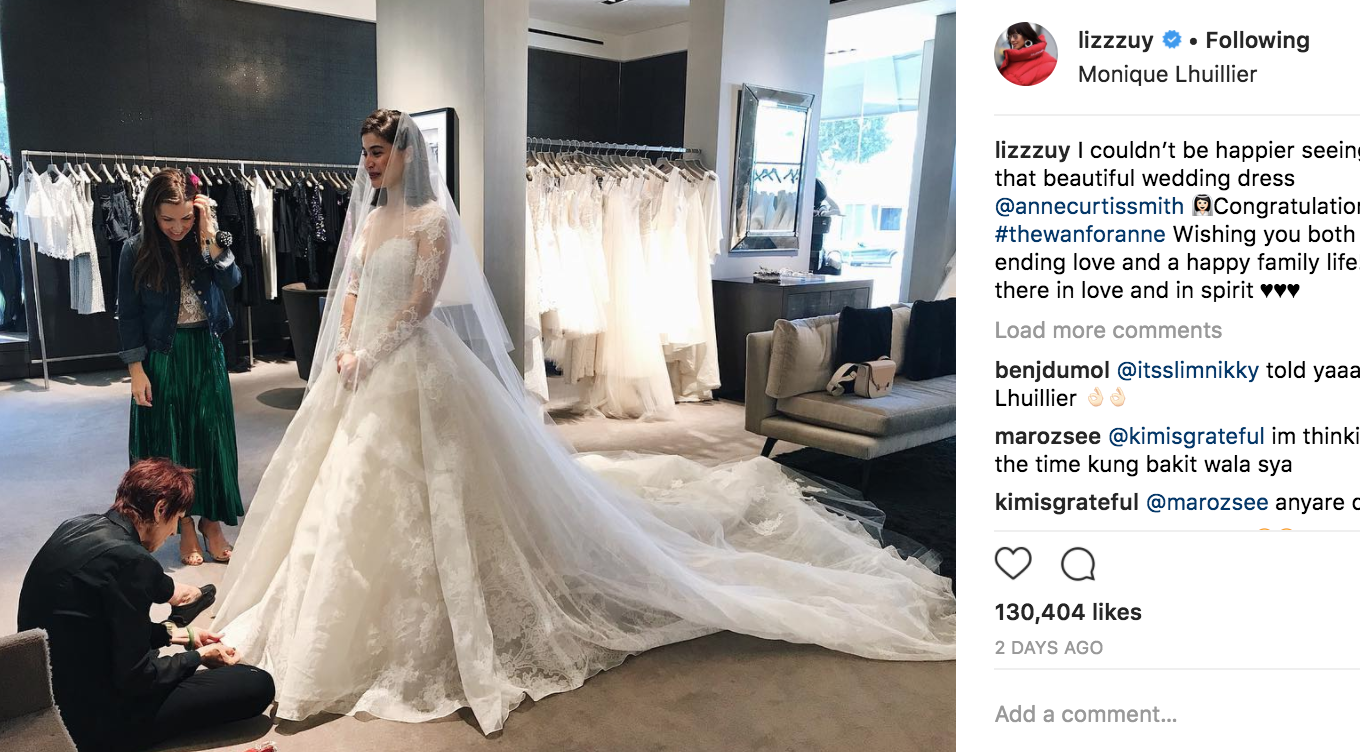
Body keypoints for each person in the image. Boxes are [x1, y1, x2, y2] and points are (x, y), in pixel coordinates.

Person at [213, 110, 954, 735]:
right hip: (357, 371)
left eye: (378, 153)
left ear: (406, 154)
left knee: (440, 488)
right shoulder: (372, 219)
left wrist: (371, 350)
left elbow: (420, 304)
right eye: (366, 154)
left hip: (406, 363)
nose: (370, 165)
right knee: (340, 490)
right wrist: (343, 346)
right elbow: (349, 291)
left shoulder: (433, 220)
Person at [16, 459, 275, 752]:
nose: (174, 532)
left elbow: (95, 625)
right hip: (90, 722)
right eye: (177, 519)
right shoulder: (132, 561)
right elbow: (138, 678)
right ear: (160, 509)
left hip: (44, 690)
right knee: (254, 683)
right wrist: (199, 656)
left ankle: (175, 629)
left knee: (154, 651)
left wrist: (177, 636)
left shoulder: (76, 525)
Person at [117, 169, 245, 566]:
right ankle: (184, 522)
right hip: (163, 355)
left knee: (211, 437)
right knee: (170, 442)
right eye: (167, 219)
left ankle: (212, 522)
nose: (177, 227)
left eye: (186, 217)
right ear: (152, 213)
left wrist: (209, 235)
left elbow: (233, 279)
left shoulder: (208, 240)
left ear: (197, 210)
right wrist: (136, 370)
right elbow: (129, 315)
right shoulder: (136, 249)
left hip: (206, 350)